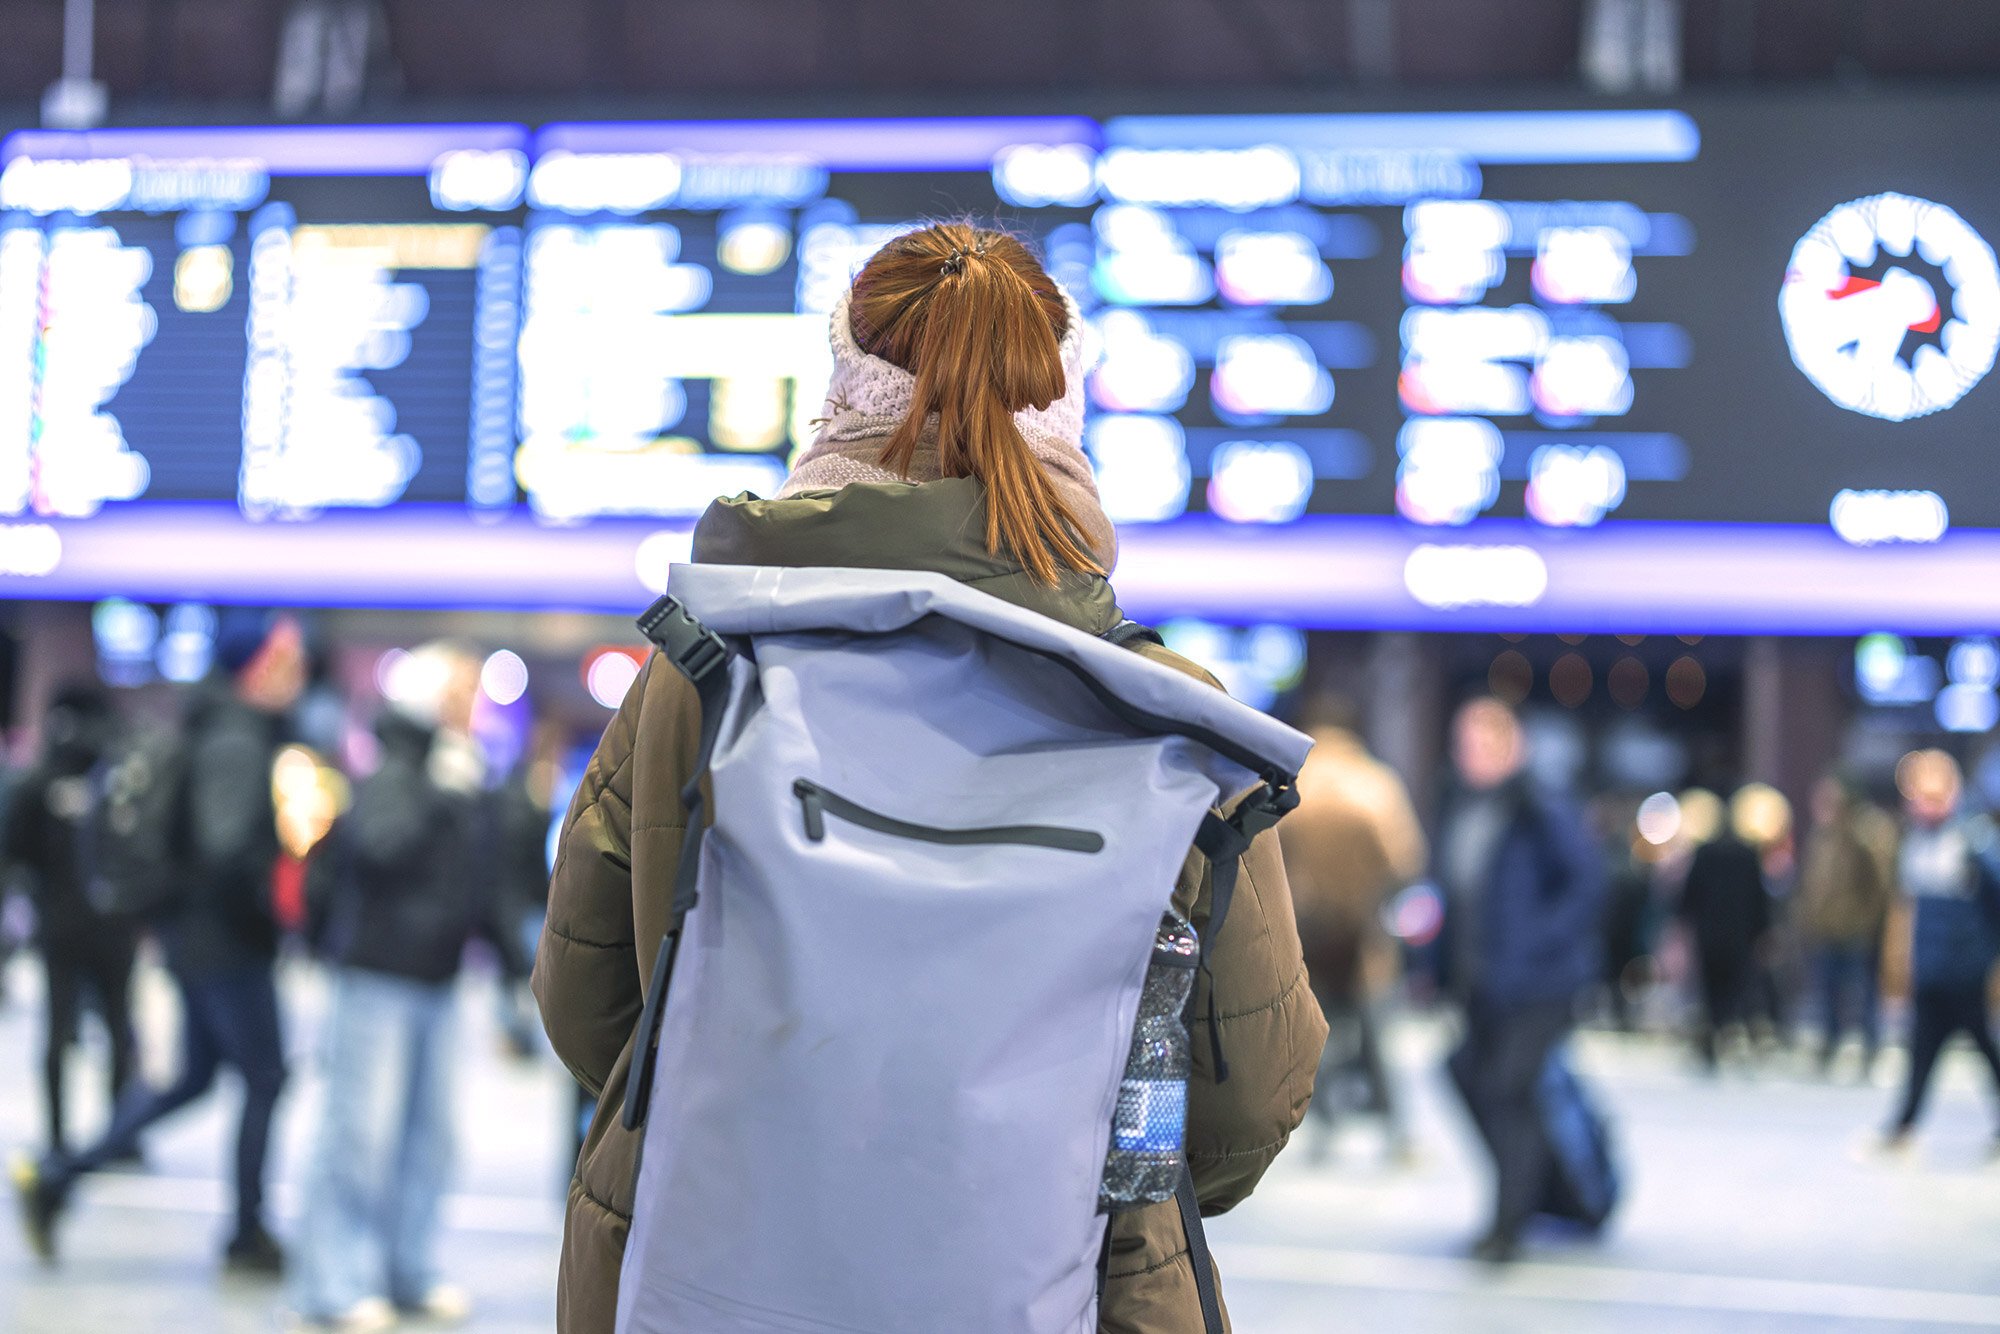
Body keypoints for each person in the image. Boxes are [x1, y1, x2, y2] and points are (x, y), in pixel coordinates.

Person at [532, 221, 1325, 1332]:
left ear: (840, 396)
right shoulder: (1168, 718)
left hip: (711, 1274)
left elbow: (590, 1004)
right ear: (1065, 414)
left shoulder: (704, 672)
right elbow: (1246, 1102)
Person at [13, 610, 303, 1273]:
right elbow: (226, 850)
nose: (298, 669)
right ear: (255, 664)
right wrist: (268, 909)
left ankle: (59, 1176)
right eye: (286, 658)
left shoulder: (217, 726)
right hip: (225, 942)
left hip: (196, 935)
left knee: (195, 1078)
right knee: (265, 1075)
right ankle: (247, 1235)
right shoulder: (236, 738)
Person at [289, 671, 499, 1330]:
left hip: (439, 977)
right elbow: (380, 849)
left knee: (432, 1139)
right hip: (377, 976)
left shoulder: (462, 777)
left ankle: (410, 1266)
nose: (471, 704)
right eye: (459, 692)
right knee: (359, 1135)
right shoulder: (396, 775)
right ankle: (333, 1282)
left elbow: (477, 883)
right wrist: (442, 798)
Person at [1437, 697, 1603, 1264]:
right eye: (1466, 743)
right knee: (1468, 1074)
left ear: (1513, 748)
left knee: (1512, 1090)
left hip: (1540, 984)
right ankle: (1544, 1196)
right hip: (1482, 984)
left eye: (1486, 743)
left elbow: (1583, 884)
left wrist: (1536, 945)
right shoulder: (1460, 808)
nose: (1473, 755)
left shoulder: (1539, 805)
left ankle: (1508, 1225)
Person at [2, 685, 139, 1157]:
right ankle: (91, 1137)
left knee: (95, 1030)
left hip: (86, 925)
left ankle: (91, 1137)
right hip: (88, 924)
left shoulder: (99, 780)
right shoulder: (103, 779)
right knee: (96, 1030)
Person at [1279, 722, 1425, 1160]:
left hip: (1308, 931)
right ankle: (1398, 1133)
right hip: (1365, 934)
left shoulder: (1295, 780)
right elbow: (1406, 859)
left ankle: (1321, 1125)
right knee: (1378, 1032)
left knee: (1315, 1031)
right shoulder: (1375, 784)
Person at [1882, 749, 2000, 1149]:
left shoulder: (1973, 842)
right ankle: (1902, 1128)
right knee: (1923, 1052)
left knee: (1984, 1049)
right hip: (1930, 970)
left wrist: (1984, 959)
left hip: (1965, 971)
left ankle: (1902, 1128)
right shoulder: (1915, 843)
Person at [1796, 774, 1896, 1075]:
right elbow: (1812, 881)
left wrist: (1870, 920)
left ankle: (1870, 1046)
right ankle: (1829, 1043)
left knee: (1862, 990)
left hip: (1856, 927)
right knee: (1826, 991)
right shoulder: (1823, 834)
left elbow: (1880, 883)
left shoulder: (1868, 830)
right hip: (1825, 926)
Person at [1678, 787, 1774, 1070]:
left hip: (1709, 935)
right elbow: (1760, 899)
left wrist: (1685, 924)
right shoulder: (1748, 855)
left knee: (1711, 990)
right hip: (1739, 936)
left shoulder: (1705, 853)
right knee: (1734, 988)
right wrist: (1762, 931)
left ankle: (1713, 1036)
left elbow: (1688, 896)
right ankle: (1726, 1032)